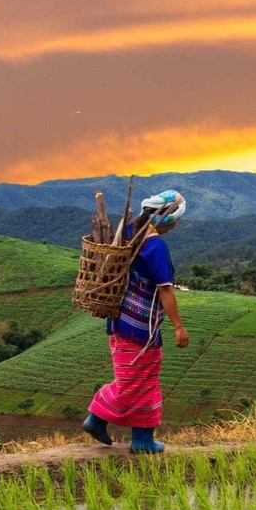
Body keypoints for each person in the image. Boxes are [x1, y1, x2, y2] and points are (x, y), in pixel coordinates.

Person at [84, 191, 187, 454]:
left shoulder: (129, 230)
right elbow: (165, 289)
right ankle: (105, 422)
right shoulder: (154, 246)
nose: (176, 226)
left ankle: (134, 435)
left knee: (143, 379)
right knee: (135, 381)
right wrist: (178, 326)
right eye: (175, 221)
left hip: (119, 319)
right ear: (167, 219)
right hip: (140, 326)